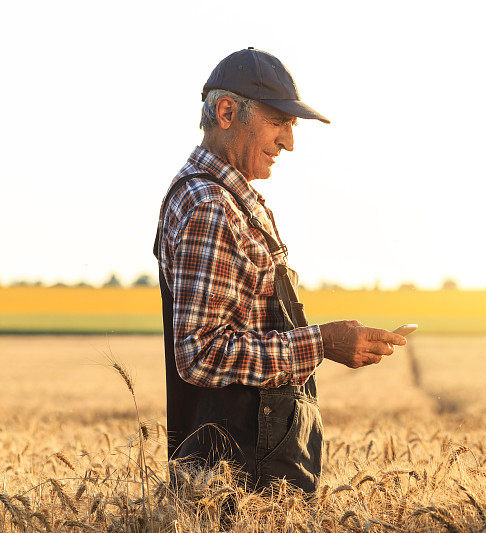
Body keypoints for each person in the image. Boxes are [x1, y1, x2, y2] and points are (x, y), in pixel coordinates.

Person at [153, 48, 406, 494]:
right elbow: (200, 354)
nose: (290, 142)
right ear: (228, 112)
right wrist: (323, 342)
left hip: (247, 479)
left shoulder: (230, 199)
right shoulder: (211, 208)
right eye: (279, 122)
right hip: (235, 488)